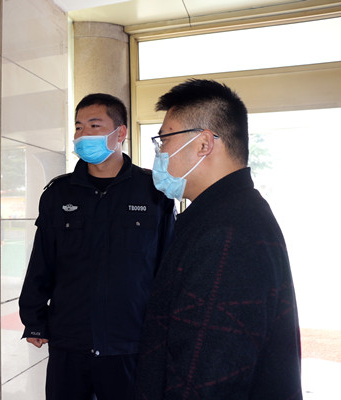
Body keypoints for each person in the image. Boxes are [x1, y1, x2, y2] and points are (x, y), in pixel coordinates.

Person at [135, 79, 302, 399]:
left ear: (203, 144)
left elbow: (207, 379)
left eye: (164, 140)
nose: (160, 153)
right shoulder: (230, 213)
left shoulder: (227, 233)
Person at [19, 93, 176, 400]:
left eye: (94, 125)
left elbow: (167, 267)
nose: (83, 135)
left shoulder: (153, 191)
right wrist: (34, 319)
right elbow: (42, 261)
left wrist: (167, 329)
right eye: (78, 127)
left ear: (121, 133)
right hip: (70, 342)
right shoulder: (59, 193)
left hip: (130, 341)